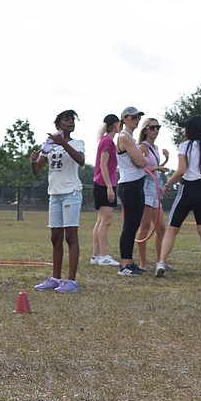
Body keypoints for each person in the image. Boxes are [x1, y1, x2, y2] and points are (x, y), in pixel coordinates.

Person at [156, 115, 201, 278]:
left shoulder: (185, 146)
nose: (183, 130)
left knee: (172, 229)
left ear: (189, 130)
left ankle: (161, 262)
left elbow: (181, 170)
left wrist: (167, 184)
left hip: (188, 190)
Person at [31, 109, 85, 293]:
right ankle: (55, 278)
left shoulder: (78, 143)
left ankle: (71, 281)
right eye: (66, 120)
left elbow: (81, 160)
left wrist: (63, 143)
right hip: (54, 195)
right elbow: (37, 170)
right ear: (57, 125)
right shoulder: (49, 146)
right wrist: (33, 161)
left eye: (72, 120)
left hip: (71, 192)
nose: (70, 122)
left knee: (71, 236)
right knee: (55, 238)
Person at [116, 106, 149, 275]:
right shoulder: (124, 137)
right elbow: (141, 162)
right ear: (125, 119)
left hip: (136, 183)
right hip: (129, 185)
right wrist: (142, 157)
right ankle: (125, 263)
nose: (137, 120)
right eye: (134, 117)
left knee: (134, 224)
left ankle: (128, 261)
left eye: (138, 117)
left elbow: (141, 160)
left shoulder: (130, 138)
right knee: (129, 225)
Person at [135, 117, 170, 270]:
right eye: (152, 127)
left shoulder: (154, 148)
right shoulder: (142, 147)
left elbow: (153, 167)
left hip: (155, 186)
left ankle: (160, 261)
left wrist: (165, 162)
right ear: (145, 130)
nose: (155, 130)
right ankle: (143, 262)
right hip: (146, 186)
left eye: (157, 127)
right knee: (144, 227)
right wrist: (157, 169)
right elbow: (139, 169)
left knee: (161, 228)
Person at [90, 114, 121, 268]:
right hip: (104, 184)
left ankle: (96, 255)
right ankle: (103, 256)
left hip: (101, 183)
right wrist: (109, 187)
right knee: (106, 220)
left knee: (101, 220)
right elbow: (103, 165)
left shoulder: (105, 140)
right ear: (115, 124)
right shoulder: (108, 141)